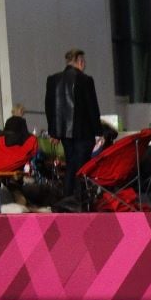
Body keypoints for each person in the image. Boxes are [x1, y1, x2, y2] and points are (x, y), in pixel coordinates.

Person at [44, 48, 104, 196]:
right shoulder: (85, 80)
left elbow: (49, 107)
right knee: (80, 166)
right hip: (84, 132)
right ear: (80, 62)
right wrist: (98, 132)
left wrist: (53, 132)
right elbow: (92, 107)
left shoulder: (53, 80)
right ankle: (76, 197)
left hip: (63, 133)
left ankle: (69, 197)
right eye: (84, 62)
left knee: (71, 162)